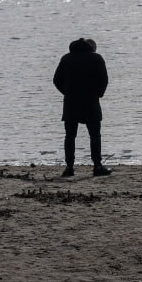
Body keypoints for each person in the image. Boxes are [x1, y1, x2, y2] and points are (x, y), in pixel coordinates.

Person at [53, 37, 111, 177]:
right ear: (91, 47)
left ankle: (69, 168)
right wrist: (99, 94)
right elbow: (104, 80)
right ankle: (97, 166)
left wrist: (67, 92)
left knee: (70, 136)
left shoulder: (66, 58)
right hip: (91, 102)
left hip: (71, 103)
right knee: (95, 135)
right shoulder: (96, 58)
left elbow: (56, 80)